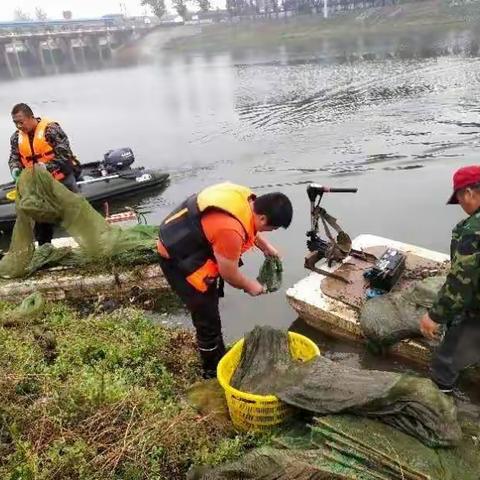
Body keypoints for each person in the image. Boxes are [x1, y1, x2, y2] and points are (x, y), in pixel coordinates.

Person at [157, 182, 293, 378]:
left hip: (187, 235)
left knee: (211, 308)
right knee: (206, 316)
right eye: (271, 229)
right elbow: (229, 273)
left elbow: (248, 226)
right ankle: (211, 371)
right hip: (177, 258)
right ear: (263, 217)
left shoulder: (247, 199)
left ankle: (219, 354)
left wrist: (266, 247)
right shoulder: (229, 231)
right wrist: (250, 286)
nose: (268, 232)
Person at [420, 165, 480, 393]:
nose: (462, 207)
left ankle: (442, 396)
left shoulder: (474, 229)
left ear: (469, 193)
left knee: (444, 364)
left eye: (460, 199)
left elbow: (462, 281)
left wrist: (435, 316)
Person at [8, 103, 80, 245]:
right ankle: (45, 249)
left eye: (21, 122)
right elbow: (14, 157)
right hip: (38, 185)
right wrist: (15, 168)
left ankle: (92, 243)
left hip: (61, 180)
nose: (18, 126)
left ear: (30, 117)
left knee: (74, 215)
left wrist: (47, 166)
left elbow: (65, 153)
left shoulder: (51, 129)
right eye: (15, 123)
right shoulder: (16, 137)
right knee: (41, 221)